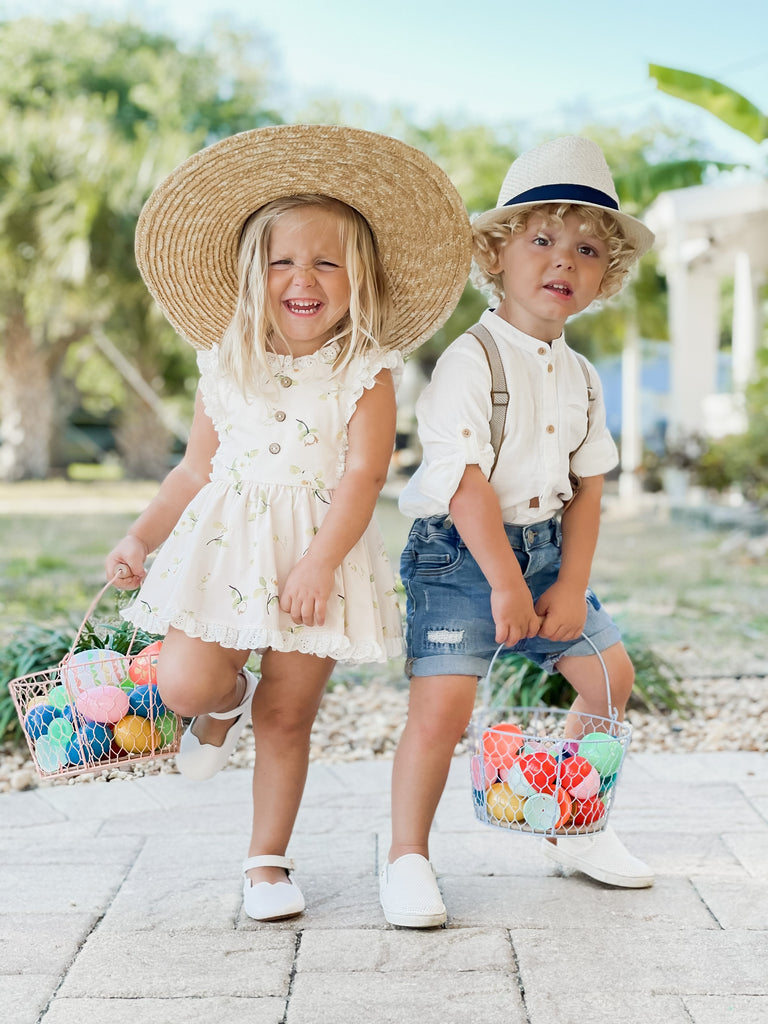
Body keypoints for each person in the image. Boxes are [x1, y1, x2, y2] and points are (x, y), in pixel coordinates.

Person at [106, 124, 471, 922]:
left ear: (358, 279)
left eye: (326, 261)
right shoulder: (223, 359)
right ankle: (225, 697)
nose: (302, 277)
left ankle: (266, 863)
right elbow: (192, 469)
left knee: (289, 714)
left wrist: (316, 562)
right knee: (184, 682)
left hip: (320, 559)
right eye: (282, 260)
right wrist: (142, 536)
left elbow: (362, 477)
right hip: (224, 553)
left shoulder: (365, 372)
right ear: (253, 272)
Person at [381, 136, 656, 929]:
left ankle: (572, 820)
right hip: (461, 559)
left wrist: (566, 584)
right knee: (441, 709)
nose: (563, 259)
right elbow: (463, 480)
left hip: (543, 554)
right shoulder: (470, 361)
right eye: (541, 239)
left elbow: (590, 486)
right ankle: (406, 857)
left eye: (587, 249)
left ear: (605, 276)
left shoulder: (583, 376)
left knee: (609, 678)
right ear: (497, 255)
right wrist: (504, 582)